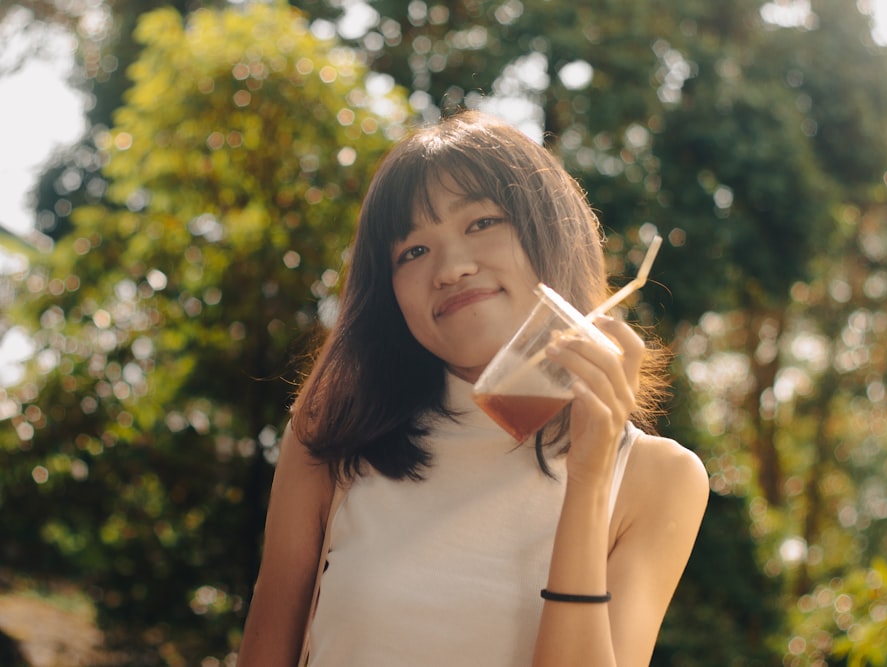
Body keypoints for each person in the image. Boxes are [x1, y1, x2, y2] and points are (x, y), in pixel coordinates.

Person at [237, 109, 709, 667]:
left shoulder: (659, 478)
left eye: (481, 222)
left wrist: (588, 479)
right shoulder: (331, 440)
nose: (450, 267)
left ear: (550, 230)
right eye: (412, 251)